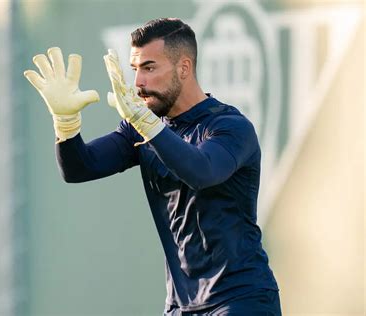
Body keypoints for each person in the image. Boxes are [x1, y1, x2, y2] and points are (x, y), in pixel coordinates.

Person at [24, 18, 281, 315]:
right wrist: (65, 124)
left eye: (149, 68)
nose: (138, 83)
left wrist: (145, 124)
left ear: (184, 68)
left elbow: (202, 171)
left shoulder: (230, 127)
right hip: (179, 306)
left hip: (240, 299)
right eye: (135, 70)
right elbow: (79, 168)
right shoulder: (143, 128)